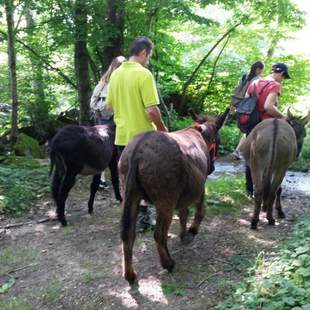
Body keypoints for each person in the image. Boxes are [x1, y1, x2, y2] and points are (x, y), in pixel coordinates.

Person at [107, 36, 168, 232]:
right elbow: (151, 110)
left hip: (122, 136)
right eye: (148, 55)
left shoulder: (115, 74)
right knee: (148, 179)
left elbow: (109, 106)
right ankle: (144, 217)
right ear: (143, 53)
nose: (148, 59)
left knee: (128, 179)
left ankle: (130, 217)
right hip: (143, 139)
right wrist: (162, 129)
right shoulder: (143, 74)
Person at [243, 62, 291, 195]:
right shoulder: (275, 85)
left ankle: (249, 189)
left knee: (251, 156)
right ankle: (265, 191)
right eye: (284, 77)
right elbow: (268, 107)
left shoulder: (255, 82)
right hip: (266, 123)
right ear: (281, 73)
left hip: (251, 123)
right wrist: (282, 117)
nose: (283, 80)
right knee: (269, 157)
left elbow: (247, 100)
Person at [90, 56, 126, 189]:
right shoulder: (119, 81)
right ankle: (120, 176)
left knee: (103, 146)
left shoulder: (102, 82)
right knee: (118, 146)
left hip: (101, 116)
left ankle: (102, 178)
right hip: (115, 117)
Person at [231, 61, 265, 159]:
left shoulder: (244, 77)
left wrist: (233, 104)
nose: (261, 72)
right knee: (252, 130)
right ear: (258, 69)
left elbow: (237, 90)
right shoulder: (258, 80)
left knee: (247, 131)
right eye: (261, 70)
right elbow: (257, 95)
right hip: (251, 108)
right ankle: (246, 153)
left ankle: (239, 151)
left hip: (240, 107)